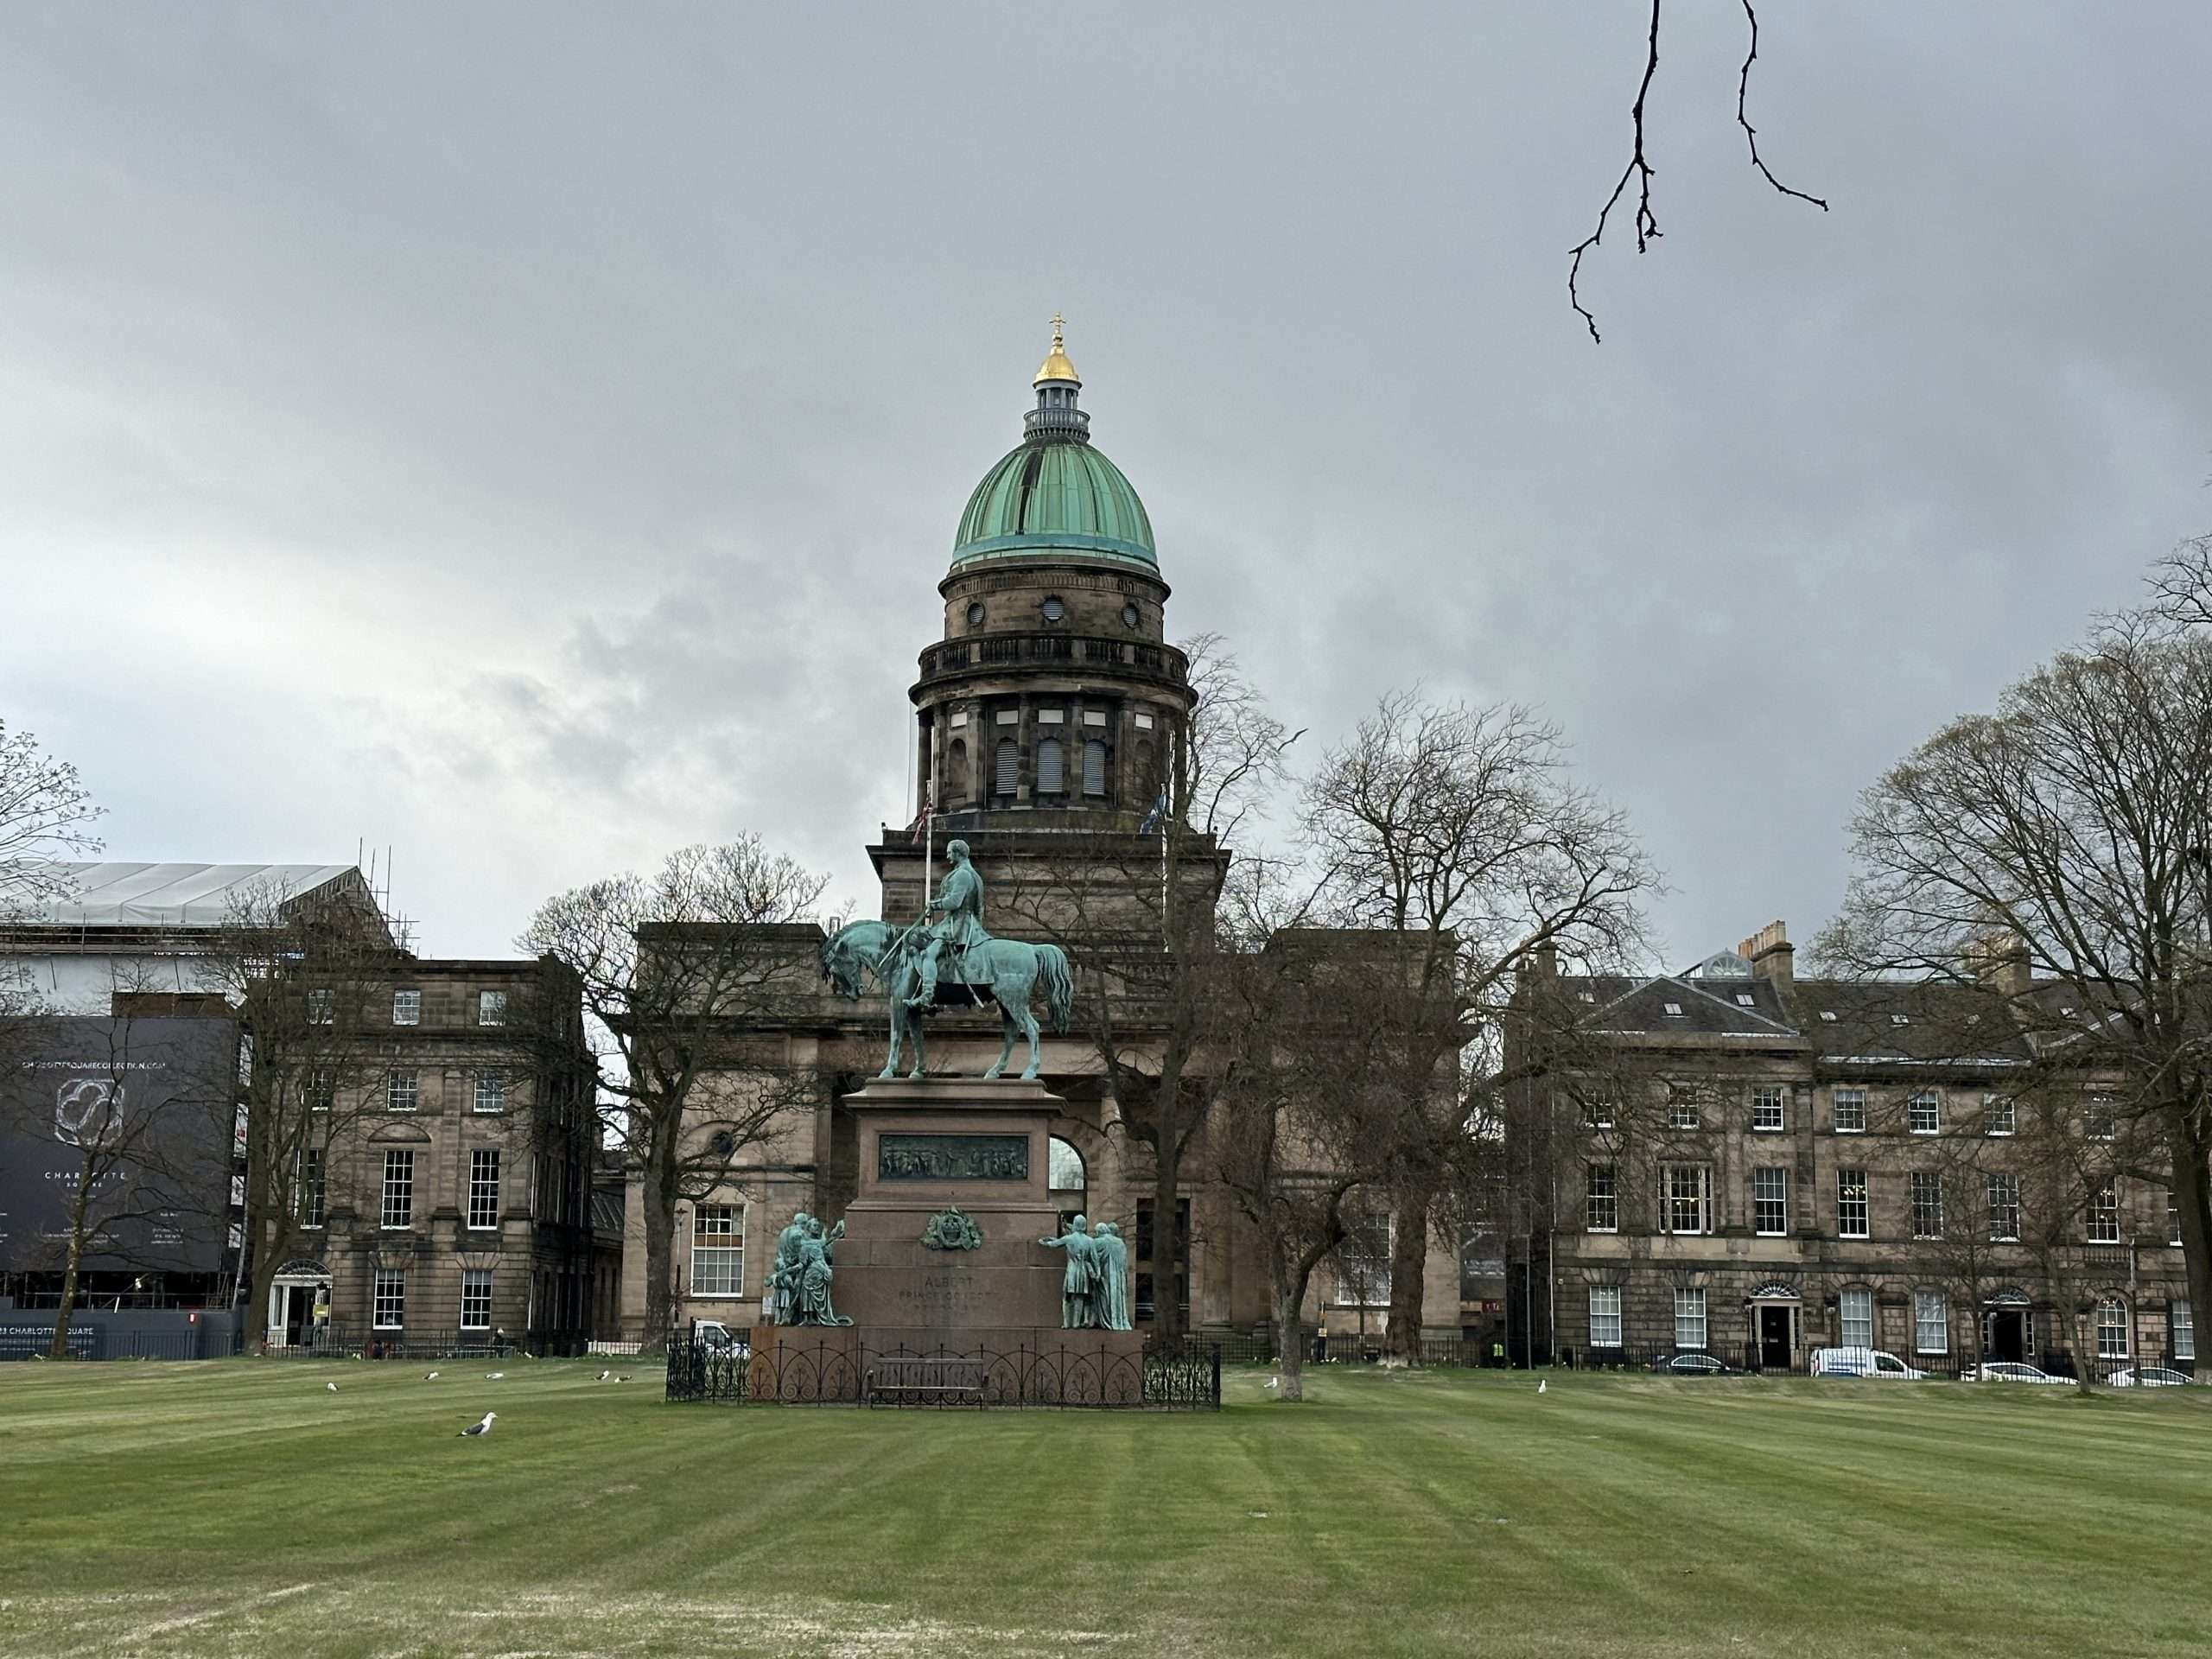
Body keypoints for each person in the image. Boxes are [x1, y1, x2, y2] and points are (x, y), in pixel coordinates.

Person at [909, 839, 991, 1009]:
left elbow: (954, 902)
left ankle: (927, 996)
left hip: (958, 924)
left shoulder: (962, 874)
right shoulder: (971, 875)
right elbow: (979, 909)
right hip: (966, 923)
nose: (947, 856)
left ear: (958, 853)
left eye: (949, 852)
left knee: (928, 954)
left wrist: (935, 904)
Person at [1037, 1215, 1097, 1329]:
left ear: (1075, 1224)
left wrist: (1043, 1241)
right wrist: (1097, 1273)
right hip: (1083, 1271)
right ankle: (1076, 1323)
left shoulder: (1069, 1238)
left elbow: (1054, 1244)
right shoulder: (1090, 1241)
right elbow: (1095, 1259)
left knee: (1067, 1296)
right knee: (1080, 1296)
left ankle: (1066, 1322)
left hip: (1073, 1269)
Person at [766, 1211, 811, 1325]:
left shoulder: (784, 1233)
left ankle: (780, 1319)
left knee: (780, 1305)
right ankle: (789, 1317)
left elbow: (780, 1252)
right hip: (795, 1269)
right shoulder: (801, 1234)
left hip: (783, 1266)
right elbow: (801, 1254)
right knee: (795, 1293)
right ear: (804, 1223)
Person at [1091, 1221, 1131, 1331]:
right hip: (1119, 1276)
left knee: (1105, 1296)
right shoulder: (1120, 1243)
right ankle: (1117, 1320)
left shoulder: (1102, 1241)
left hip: (1107, 1274)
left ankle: (1107, 1320)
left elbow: (1089, 1249)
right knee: (1116, 1298)